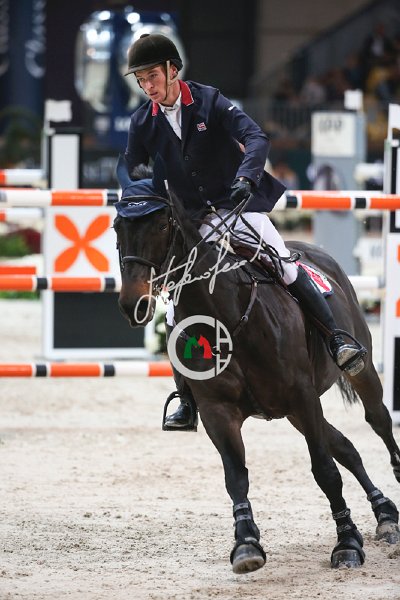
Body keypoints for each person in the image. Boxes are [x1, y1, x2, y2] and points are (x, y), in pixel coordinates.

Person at [123, 33, 366, 431]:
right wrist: (140, 189)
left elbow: (255, 137)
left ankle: (337, 339)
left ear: (172, 70)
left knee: (285, 265)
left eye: (152, 76)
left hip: (237, 205)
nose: (147, 86)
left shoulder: (210, 101)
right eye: (141, 79)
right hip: (194, 220)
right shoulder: (142, 121)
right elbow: (132, 167)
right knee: (177, 303)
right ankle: (185, 397)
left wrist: (247, 177)